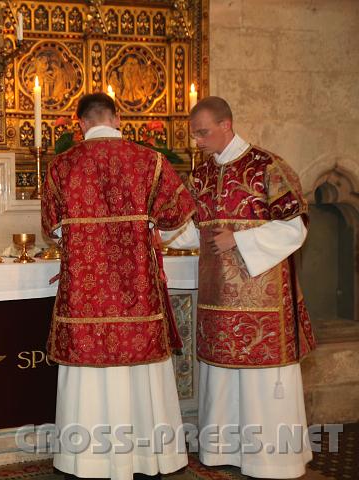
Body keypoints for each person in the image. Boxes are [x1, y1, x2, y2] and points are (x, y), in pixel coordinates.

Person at [41, 93, 196, 480]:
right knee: (141, 368)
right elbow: (179, 216)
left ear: (80, 124)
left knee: (89, 376)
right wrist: (150, 231)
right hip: (137, 290)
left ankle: (87, 458)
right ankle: (149, 455)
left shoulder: (62, 165)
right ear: (118, 118)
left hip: (85, 292)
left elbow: (52, 228)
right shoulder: (150, 161)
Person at [164, 96, 316, 478]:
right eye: (194, 133)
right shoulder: (199, 175)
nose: (196, 141)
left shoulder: (268, 166)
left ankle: (272, 459)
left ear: (226, 125)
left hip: (261, 301)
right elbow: (190, 230)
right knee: (222, 375)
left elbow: (295, 227)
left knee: (261, 383)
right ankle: (223, 451)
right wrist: (157, 235)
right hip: (218, 301)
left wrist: (240, 240)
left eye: (203, 132)